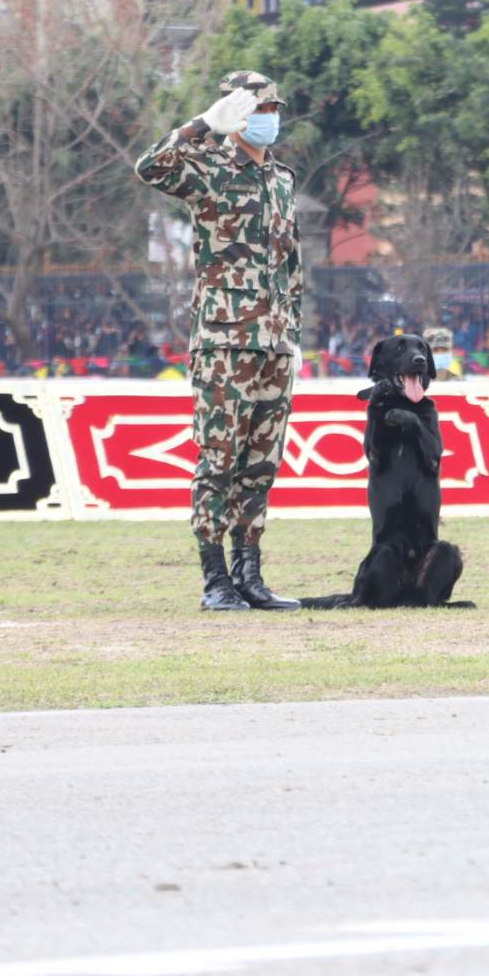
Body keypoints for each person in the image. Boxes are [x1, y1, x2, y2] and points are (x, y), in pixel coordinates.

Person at [135, 70, 304, 612]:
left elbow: (291, 264)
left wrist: (294, 333)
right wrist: (202, 126)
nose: (267, 118)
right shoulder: (208, 168)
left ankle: (249, 575)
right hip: (224, 341)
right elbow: (149, 167)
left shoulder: (282, 179)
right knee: (219, 461)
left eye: (273, 109)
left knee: (261, 465)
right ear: (235, 113)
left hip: (275, 342)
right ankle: (215, 581)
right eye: (257, 108)